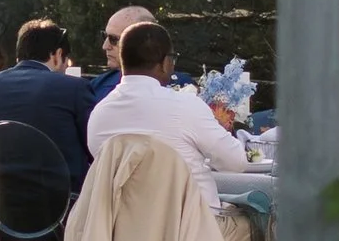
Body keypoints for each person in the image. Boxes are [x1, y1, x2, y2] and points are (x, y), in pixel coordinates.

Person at [86, 23, 241, 185]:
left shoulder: (100, 114)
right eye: (173, 58)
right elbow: (236, 162)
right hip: (189, 208)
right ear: (165, 62)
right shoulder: (187, 106)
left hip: (121, 210)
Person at [0, 17, 96, 200]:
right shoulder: (74, 88)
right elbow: (94, 147)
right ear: (57, 55)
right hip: (62, 206)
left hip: (2, 206)